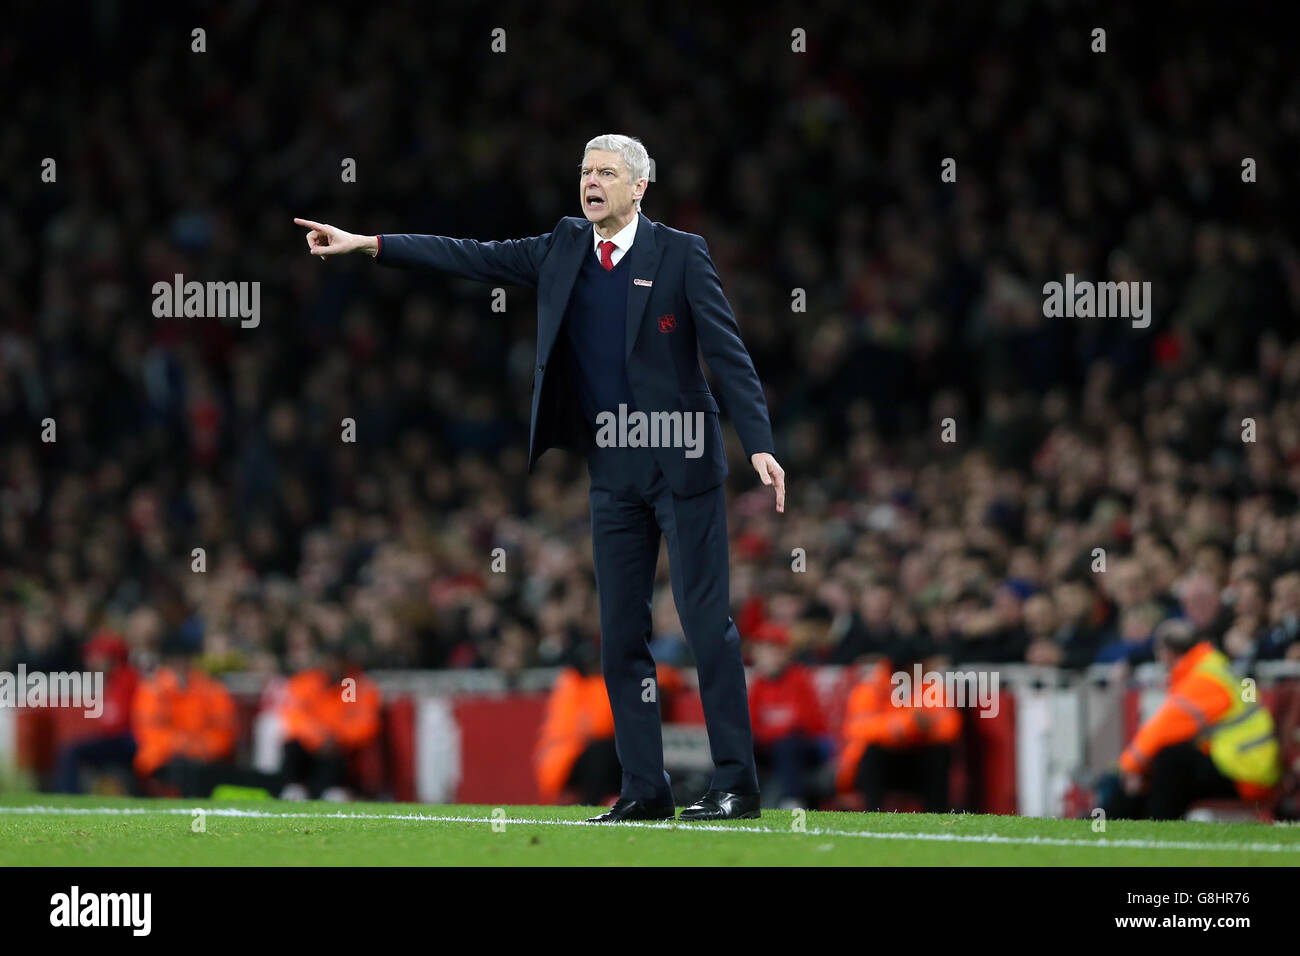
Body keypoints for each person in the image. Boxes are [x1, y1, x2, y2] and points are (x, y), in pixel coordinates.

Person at [295, 133, 785, 823]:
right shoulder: (560, 247)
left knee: (707, 627)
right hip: (612, 469)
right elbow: (470, 256)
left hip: (683, 462)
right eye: (586, 171)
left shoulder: (681, 253)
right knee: (619, 635)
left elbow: (728, 354)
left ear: (639, 187)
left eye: (608, 173)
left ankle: (737, 784)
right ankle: (646, 788)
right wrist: (370, 243)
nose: (592, 181)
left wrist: (758, 443)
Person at [1098, 619, 1281, 820]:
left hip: (1247, 773)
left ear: (1166, 652)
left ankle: (1150, 826)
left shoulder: (1202, 679)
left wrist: (1127, 769)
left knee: (1169, 759)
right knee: (1168, 764)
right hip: (1246, 764)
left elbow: (1160, 731)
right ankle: (1133, 822)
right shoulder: (1212, 666)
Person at [836, 654, 962, 813]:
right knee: (873, 752)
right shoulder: (873, 686)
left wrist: (924, 728)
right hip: (880, 764)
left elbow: (950, 727)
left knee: (940, 752)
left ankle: (938, 816)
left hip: (918, 762)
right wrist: (906, 725)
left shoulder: (929, 686)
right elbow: (857, 728)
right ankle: (872, 814)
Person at [131, 639, 240, 797]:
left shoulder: (211, 689)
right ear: (165, 662)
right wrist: (182, 745)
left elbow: (225, 732)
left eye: (183, 659)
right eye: (174, 660)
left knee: (196, 771)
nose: (179, 665)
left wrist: (198, 749)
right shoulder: (152, 689)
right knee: (178, 768)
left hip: (204, 760)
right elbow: (148, 733)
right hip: (161, 759)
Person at [279, 644, 383, 800]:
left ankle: (334, 790)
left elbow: (365, 723)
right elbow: (293, 715)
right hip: (311, 742)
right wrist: (317, 736)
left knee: (337, 754)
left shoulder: (356, 686)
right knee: (292, 744)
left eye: (337, 662)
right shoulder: (307, 683)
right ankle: (293, 788)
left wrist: (338, 736)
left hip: (339, 746)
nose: (333, 667)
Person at [746, 623, 830, 808]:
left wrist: (770, 731)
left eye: (773, 650)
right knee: (741, 747)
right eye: (763, 651)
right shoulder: (758, 684)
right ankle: (733, 794)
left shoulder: (799, 679)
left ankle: (792, 800)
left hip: (804, 747)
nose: (768, 657)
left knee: (788, 745)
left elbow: (805, 724)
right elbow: (750, 725)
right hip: (772, 746)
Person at [534, 641, 619, 806]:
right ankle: (590, 804)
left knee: (606, 750)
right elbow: (599, 727)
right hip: (567, 758)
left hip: (562, 758)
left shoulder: (568, 682)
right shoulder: (577, 685)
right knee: (602, 751)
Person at [55, 629, 139, 793]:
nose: (90, 661)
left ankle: (69, 798)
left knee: (72, 751)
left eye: (96, 656)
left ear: (111, 658)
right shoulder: (114, 680)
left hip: (128, 741)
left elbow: (116, 723)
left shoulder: (126, 680)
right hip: (121, 739)